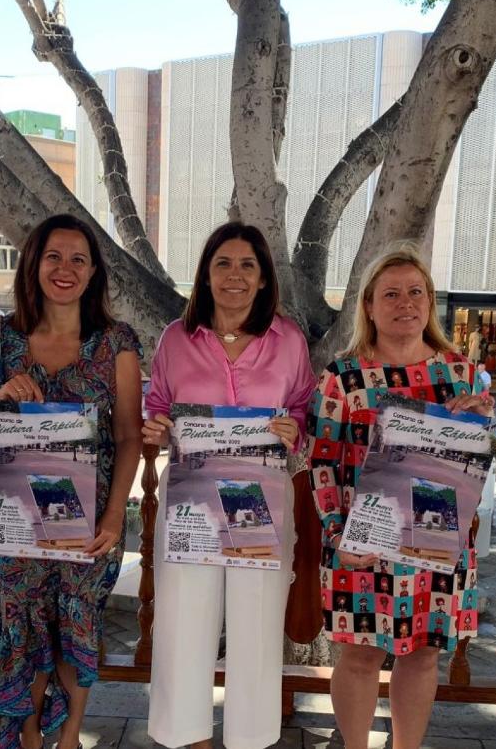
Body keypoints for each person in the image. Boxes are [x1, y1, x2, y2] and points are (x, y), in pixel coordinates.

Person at [0, 214, 144, 749]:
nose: (65, 268)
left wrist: (115, 514)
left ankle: (69, 737)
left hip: (89, 519)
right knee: (21, 632)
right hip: (14, 520)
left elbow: (128, 436)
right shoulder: (3, 338)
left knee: (76, 625)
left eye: (78, 259)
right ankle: (30, 738)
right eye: (54, 256)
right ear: (34, 263)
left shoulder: (115, 344)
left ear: (93, 271)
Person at [308, 245, 493, 749]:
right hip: (361, 541)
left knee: (424, 653)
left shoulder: (461, 374)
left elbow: (475, 466)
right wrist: (337, 534)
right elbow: (321, 462)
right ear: (368, 306)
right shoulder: (343, 378)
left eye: (416, 292)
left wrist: (480, 427)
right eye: (391, 294)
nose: (405, 303)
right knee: (360, 654)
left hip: (437, 540)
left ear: (430, 302)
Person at [143, 221, 316, 749]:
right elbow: (156, 406)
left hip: (262, 501)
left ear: (263, 278)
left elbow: (304, 407)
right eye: (223, 264)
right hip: (190, 502)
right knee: (182, 625)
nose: (234, 275)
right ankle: (187, 740)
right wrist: (155, 427)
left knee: (256, 630)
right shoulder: (176, 338)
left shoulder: (289, 339)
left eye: (247, 265)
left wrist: (295, 428)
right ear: (205, 274)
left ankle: (250, 740)